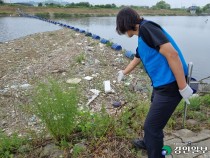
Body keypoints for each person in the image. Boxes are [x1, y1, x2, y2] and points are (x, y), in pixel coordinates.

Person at [116, 7, 193, 158]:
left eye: (121, 28)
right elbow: (137, 57)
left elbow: (172, 54)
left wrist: (182, 86)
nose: (123, 32)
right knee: (154, 121)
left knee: (151, 127)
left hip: (171, 86)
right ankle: (148, 142)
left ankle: (155, 153)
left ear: (125, 24)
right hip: (160, 85)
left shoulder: (147, 28)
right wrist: (124, 72)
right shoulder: (142, 34)